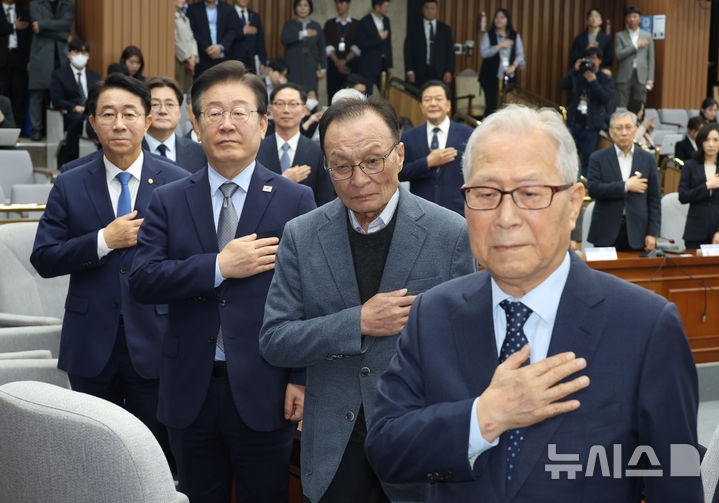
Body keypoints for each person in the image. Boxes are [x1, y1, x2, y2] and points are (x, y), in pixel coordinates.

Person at [364, 104, 702, 502]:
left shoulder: (645, 326)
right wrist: (482, 418)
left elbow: (677, 481)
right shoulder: (432, 314)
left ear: (574, 203)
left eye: (530, 193)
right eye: (486, 194)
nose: (506, 217)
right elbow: (386, 451)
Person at [259, 96, 475, 503]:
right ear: (326, 166)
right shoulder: (301, 235)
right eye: (341, 166)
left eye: (373, 161)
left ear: (400, 155)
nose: (358, 180)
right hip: (334, 447)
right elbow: (275, 339)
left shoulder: (450, 232)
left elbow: (468, 342)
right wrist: (357, 321)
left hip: (418, 437)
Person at [129, 60, 316, 503]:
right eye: (213, 113)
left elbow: (313, 295)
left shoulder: (296, 199)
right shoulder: (168, 199)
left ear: (263, 123)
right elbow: (142, 280)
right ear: (195, 124)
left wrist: (301, 377)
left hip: (267, 385)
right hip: (188, 386)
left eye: (239, 112)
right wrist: (217, 266)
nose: (226, 124)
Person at [30, 73, 189, 468]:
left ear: (147, 120)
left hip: (156, 340)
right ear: (93, 121)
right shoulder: (68, 182)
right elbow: (44, 257)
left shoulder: (178, 183)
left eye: (129, 114)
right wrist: (103, 240)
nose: (119, 124)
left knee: (154, 457)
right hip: (89, 343)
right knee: (90, 458)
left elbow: (189, 259)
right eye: (108, 114)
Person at [587, 110, 661, 251]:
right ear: (611, 132)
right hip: (605, 231)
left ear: (635, 129)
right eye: (619, 128)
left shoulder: (648, 159)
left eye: (628, 127)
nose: (624, 133)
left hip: (638, 232)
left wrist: (653, 233)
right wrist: (625, 186)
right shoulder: (598, 158)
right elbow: (593, 189)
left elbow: (654, 200)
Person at [399, 80, 471, 215]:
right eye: (427, 99)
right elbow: (398, 173)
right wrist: (427, 163)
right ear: (421, 105)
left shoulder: (467, 134)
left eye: (438, 99)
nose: (433, 103)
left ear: (448, 104)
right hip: (420, 212)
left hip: (458, 212)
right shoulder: (409, 137)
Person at [257, 82, 334, 206]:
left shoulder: (318, 152)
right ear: (270, 110)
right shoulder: (256, 149)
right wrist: (284, 181)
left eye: (293, 104)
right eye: (280, 104)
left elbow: (326, 201)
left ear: (304, 111)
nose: (286, 110)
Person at [559, 46, 613, 177]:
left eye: (594, 58)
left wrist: (593, 81)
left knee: (588, 160)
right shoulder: (579, 74)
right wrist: (574, 70)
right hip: (574, 122)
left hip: (591, 125)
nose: (591, 61)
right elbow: (562, 85)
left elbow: (606, 98)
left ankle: (584, 188)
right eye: (588, 58)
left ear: (600, 61)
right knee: (569, 156)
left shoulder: (604, 78)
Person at [49, 38, 101, 166]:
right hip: (70, 113)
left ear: (88, 56)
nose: (81, 56)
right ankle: (70, 156)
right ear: (69, 54)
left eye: (84, 53)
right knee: (78, 119)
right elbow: (56, 100)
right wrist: (73, 106)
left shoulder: (95, 76)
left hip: (91, 112)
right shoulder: (59, 75)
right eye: (77, 52)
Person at [27, 0, 74, 141]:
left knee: (62, 91)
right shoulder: (35, 4)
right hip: (41, 54)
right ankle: (36, 129)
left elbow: (66, 24)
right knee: (37, 92)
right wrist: (64, 36)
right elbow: (36, 28)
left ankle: (61, 129)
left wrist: (43, 25)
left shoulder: (68, 4)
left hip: (61, 55)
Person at [142, 76, 206, 173]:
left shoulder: (201, 153)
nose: (163, 111)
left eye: (169, 104)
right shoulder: (132, 150)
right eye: (155, 104)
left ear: (179, 111)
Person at [678, 123, 719, 249]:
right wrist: (706, 186)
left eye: (715, 140)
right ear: (701, 142)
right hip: (695, 231)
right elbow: (683, 197)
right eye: (706, 140)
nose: (711, 144)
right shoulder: (690, 165)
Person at [479, 8, 525, 117]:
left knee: (508, 107)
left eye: (502, 17)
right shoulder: (488, 35)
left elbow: (520, 55)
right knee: (492, 106)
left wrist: (514, 66)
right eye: (496, 17)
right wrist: (500, 46)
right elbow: (484, 53)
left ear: (507, 20)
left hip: (509, 76)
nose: (498, 20)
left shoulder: (514, 36)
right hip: (490, 77)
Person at [404, 0, 454, 88]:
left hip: (440, 72)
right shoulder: (414, 28)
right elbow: (408, 51)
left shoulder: (445, 29)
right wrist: (409, 71)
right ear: (422, 9)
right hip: (420, 71)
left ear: (437, 10)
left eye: (432, 8)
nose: (429, 11)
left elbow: (450, 52)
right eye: (427, 8)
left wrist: (449, 71)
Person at [281, 0, 326, 94]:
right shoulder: (289, 24)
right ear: (295, 8)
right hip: (293, 66)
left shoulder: (316, 25)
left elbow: (322, 48)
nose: (302, 8)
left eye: (305, 5)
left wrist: (323, 68)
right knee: (293, 93)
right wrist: (303, 33)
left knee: (311, 95)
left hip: (311, 66)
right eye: (299, 5)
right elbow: (284, 39)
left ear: (310, 8)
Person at [186, 0, 240, 77]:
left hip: (224, 58)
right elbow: (192, 32)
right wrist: (207, 48)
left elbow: (232, 31)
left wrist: (221, 47)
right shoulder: (193, 9)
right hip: (202, 58)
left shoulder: (228, 9)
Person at [1, 0, 31, 135]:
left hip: (20, 59)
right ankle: (2, 129)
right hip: (1, 60)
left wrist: (29, 59)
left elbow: (29, 36)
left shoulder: (23, 11)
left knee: (20, 95)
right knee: (2, 96)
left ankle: (18, 131)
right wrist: (13, 26)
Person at [615, 6, 654, 107]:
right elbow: (619, 55)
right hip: (624, 75)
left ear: (640, 19)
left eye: (635, 16)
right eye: (629, 17)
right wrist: (636, 46)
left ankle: (638, 122)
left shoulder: (647, 36)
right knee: (621, 103)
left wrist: (650, 80)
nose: (632, 19)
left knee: (640, 104)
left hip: (642, 75)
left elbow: (651, 59)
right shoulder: (620, 35)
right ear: (626, 19)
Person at [324, 0, 360, 100]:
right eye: (337, 3)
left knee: (352, 97)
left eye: (342, 3)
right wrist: (337, 62)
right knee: (332, 95)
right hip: (333, 66)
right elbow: (327, 46)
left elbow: (358, 46)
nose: (339, 6)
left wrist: (345, 61)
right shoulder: (330, 24)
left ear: (348, 4)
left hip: (352, 66)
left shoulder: (357, 24)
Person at [357, 0, 392, 95]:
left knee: (386, 94)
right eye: (385, 6)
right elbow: (361, 44)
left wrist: (390, 65)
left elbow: (388, 44)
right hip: (368, 66)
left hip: (383, 65)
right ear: (377, 7)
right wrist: (378, 38)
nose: (386, 9)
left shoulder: (386, 20)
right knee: (367, 94)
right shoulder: (364, 21)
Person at [569, 8, 612, 72]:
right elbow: (573, 57)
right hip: (582, 68)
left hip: (600, 69)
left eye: (597, 16)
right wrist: (586, 49)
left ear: (601, 21)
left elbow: (609, 59)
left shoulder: (606, 38)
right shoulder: (580, 38)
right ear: (587, 20)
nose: (594, 19)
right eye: (591, 16)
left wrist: (597, 56)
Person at [230, 0, 267, 75]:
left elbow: (260, 41)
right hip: (233, 60)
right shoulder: (228, 14)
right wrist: (243, 31)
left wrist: (263, 61)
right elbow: (226, 36)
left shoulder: (255, 16)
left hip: (251, 61)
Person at [174, 0, 198, 93]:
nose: (183, 0)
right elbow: (175, 41)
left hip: (189, 61)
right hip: (179, 59)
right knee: (179, 90)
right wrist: (187, 57)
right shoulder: (170, 15)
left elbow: (191, 38)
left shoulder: (184, 16)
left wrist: (193, 56)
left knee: (187, 91)